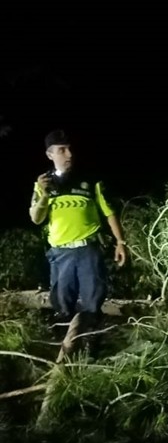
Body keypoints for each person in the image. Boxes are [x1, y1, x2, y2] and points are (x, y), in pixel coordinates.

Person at [28, 130, 127, 339]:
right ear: (50, 154)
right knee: (63, 306)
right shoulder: (43, 184)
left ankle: (91, 351)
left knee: (92, 304)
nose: (69, 154)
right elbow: (36, 218)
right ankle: (66, 352)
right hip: (60, 253)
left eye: (70, 149)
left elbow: (109, 212)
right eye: (62, 150)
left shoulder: (90, 181)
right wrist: (44, 194)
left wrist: (120, 242)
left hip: (89, 251)